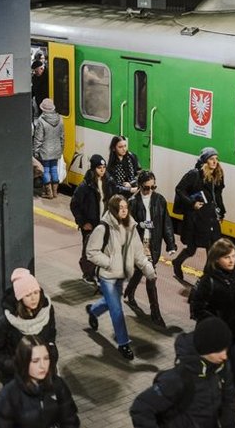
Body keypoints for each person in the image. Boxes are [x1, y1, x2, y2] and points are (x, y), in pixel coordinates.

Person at [129, 317, 235, 428]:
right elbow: (141, 407)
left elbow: (229, 400)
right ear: (205, 349)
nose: (224, 356)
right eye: (218, 351)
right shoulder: (178, 378)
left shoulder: (222, 367)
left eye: (226, 349)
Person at [86, 194, 157, 360]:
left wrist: (148, 270)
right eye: (121, 208)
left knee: (111, 302)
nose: (124, 211)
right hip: (107, 276)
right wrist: (109, 262)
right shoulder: (103, 228)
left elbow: (138, 253)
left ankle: (93, 311)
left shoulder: (131, 227)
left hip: (122, 275)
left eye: (126, 207)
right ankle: (124, 344)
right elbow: (91, 252)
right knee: (117, 309)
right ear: (113, 209)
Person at [189, 238, 235, 386]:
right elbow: (196, 308)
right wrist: (216, 323)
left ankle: (224, 398)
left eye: (234, 256)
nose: (232, 260)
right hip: (214, 338)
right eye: (227, 257)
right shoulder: (207, 280)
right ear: (216, 259)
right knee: (209, 375)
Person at [0, 336, 80, 428]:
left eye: (46, 358)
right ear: (24, 361)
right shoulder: (8, 395)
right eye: (35, 361)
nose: (42, 366)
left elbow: (70, 419)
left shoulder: (57, 384)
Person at [0, 268, 57, 384]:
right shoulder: (8, 321)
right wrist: (16, 366)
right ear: (20, 298)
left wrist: (51, 352)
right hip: (16, 380)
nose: (34, 298)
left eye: (36, 292)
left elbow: (51, 334)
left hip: (43, 374)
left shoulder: (47, 311)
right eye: (28, 295)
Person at [125, 170, 176, 327]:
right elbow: (127, 225)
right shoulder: (132, 202)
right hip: (139, 244)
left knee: (142, 270)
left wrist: (171, 244)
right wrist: (140, 225)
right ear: (140, 186)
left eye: (153, 187)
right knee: (151, 276)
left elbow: (166, 223)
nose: (151, 190)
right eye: (147, 188)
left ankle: (129, 291)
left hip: (153, 244)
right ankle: (156, 313)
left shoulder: (159, 200)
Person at [172, 147, 226, 282]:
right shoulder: (194, 174)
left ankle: (206, 278)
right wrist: (192, 203)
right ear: (204, 161)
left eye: (216, 159)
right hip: (196, 217)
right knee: (192, 248)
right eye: (211, 159)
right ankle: (177, 262)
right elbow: (179, 189)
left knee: (212, 249)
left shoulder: (218, 175)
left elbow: (218, 196)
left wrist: (222, 212)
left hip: (211, 216)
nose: (215, 162)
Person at [69, 154, 121, 284]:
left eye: (104, 167)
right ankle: (88, 273)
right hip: (91, 224)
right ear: (93, 169)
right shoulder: (85, 186)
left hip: (104, 223)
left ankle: (98, 273)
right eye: (99, 168)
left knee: (103, 249)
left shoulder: (109, 182)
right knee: (89, 250)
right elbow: (74, 205)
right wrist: (82, 222)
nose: (102, 170)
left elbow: (116, 194)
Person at [32, 97, 64, 199]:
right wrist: (61, 148)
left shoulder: (41, 120)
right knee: (54, 169)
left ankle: (48, 192)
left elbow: (38, 138)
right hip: (56, 149)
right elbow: (62, 136)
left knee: (46, 170)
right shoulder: (60, 119)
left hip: (45, 150)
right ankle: (55, 192)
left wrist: (35, 151)